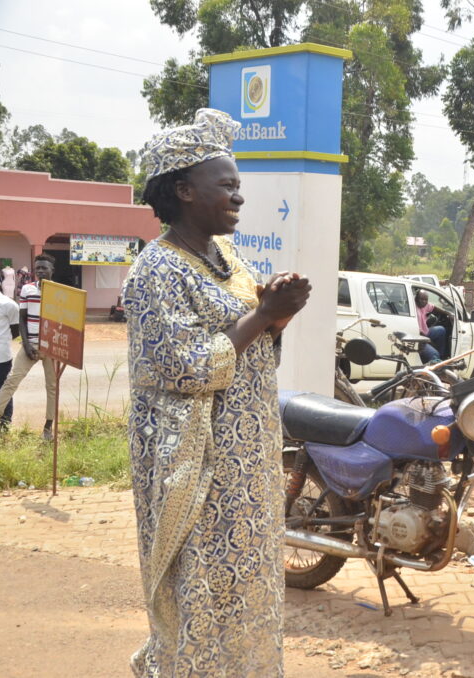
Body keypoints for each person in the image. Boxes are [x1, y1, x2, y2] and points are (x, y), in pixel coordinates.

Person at [125, 108, 311, 677]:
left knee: (247, 588)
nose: (238, 196)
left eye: (239, 186)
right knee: (201, 591)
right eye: (226, 185)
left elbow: (247, 337)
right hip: (196, 470)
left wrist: (276, 314)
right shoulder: (155, 271)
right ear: (183, 191)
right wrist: (263, 314)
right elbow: (187, 368)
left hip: (247, 464)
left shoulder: (226, 257)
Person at [0, 254, 58, 440]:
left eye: (44, 268)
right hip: (30, 344)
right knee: (11, 381)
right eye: (38, 268)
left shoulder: (61, 292)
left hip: (52, 347)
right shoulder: (27, 289)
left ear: (52, 271)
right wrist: (26, 345)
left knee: (52, 387)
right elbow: (22, 320)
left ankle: (48, 427)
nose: (40, 271)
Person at [0, 290, 19, 427]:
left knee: (4, 389)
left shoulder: (9, 305)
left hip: (2, 357)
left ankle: (5, 424)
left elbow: (15, 331)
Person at [415, 289, 449, 362]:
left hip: (425, 332)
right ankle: (437, 364)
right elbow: (419, 334)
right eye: (421, 299)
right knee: (434, 354)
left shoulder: (424, 305)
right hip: (418, 338)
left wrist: (448, 314)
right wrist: (429, 341)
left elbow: (434, 308)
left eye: (426, 299)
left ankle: (442, 356)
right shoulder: (414, 308)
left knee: (441, 330)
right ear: (416, 299)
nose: (424, 301)